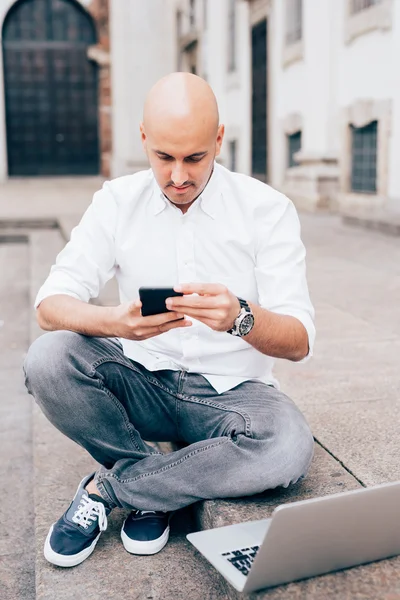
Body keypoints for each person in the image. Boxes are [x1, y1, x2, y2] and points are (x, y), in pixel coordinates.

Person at [23, 72, 315, 568]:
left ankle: (116, 487)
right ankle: (158, 481)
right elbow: (51, 304)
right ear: (144, 139)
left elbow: (299, 341)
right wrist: (115, 322)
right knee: (47, 359)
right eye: (164, 157)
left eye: (195, 158)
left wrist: (241, 317)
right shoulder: (116, 202)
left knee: (286, 445)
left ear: (218, 139)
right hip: (140, 380)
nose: (178, 176)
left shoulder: (268, 209)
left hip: (233, 396)